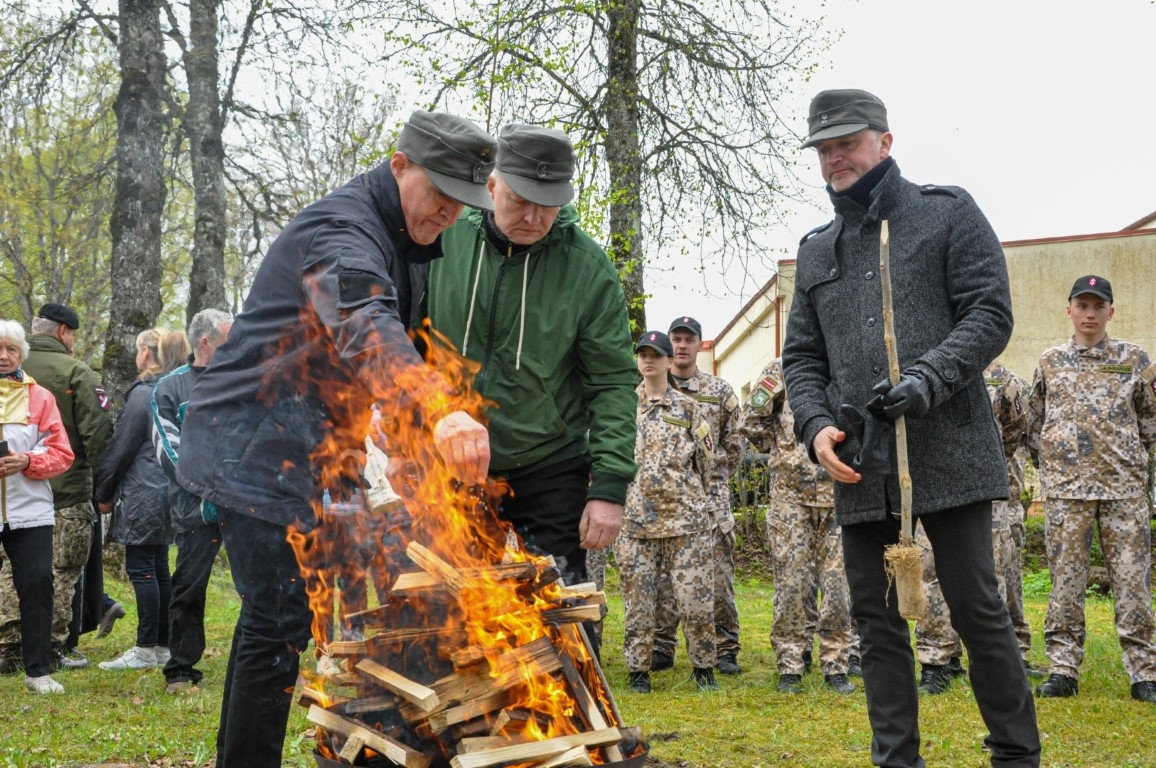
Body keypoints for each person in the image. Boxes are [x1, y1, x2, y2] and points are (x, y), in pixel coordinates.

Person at [174, 110, 496, 768]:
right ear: (400, 164)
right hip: (255, 447)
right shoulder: (343, 230)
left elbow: (374, 362)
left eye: (463, 206)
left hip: (312, 452)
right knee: (279, 617)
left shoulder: (402, 240)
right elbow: (365, 325)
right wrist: (440, 412)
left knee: (332, 607)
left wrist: (417, 453)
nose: (450, 216)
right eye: (441, 197)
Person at [781, 88, 1040, 767]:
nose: (835, 157)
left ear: (885, 142)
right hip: (859, 458)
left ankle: (1016, 756)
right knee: (876, 618)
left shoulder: (946, 215)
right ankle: (896, 760)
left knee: (978, 609)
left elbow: (988, 313)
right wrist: (813, 427)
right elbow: (802, 358)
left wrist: (927, 377)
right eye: (824, 148)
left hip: (949, 447)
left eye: (848, 142)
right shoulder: (816, 250)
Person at [425, 124, 637, 593]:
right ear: (492, 184)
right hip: (448, 464)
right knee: (444, 610)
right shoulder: (443, 239)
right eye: (521, 199)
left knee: (559, 618)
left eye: (549, 202)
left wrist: (608, 488)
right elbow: (403, 340)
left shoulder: (588, 269)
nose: (534, 217)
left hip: (548, 468)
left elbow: (612, 384)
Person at [1026, 275, 1156, 703]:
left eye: (1098, 306)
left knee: (1133, 583)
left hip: (1125, 492)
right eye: (1082, 305)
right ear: (1069, 309)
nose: (1089, 313)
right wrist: (1053, 468)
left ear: (1111, 312)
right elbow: (1034, 421)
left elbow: (1150, 423)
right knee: (1065, 582)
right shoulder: (1049, 361)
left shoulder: (1135, 360)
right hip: (1067, 492)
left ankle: (1145, 673)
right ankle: (1063, 669)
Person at [913, 359, 1040, 695]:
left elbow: (1015, 434)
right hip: (935, 486)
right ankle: (937, 661)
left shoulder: (1005, 380)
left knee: (992, 576)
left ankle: (996, 662)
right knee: (932, 575)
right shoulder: (924, 372)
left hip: (989, 492)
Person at [0, 303, 113, 672]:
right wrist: (104, 486)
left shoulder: (32, 383)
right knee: (59, 574)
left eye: (10, 349)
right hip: (63, 494)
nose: (5, 356)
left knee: (11, 575)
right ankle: (52, 647)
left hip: (30, 495)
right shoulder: (76, 371)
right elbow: (98, 434)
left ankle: (11, 646)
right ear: (65, 332)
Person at [740, 358, 855, 695]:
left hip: (840, 494)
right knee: (791, 582)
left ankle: (836, 664)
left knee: (838, 586)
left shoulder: (844, 361)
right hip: (790, 498)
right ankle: (790, 663)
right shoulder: (780, 370)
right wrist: (782, 449)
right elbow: (751, 421)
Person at [617, 331, 717, 693]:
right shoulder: (624, 407)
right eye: (642, 354)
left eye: (656, 355)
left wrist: (692, 498)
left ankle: (704, 670)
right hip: (636, 523)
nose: (648, 360)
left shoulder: (689, 409)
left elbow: (707, 462)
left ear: (667, 361)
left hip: (685, 522)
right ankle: (638, 673)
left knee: (695, 602)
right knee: (638, 603)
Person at [652, 317, 744, 675]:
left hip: (711, 497)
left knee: (718, 574)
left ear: (699, 345)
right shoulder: (653, 387)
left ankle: (724, 648)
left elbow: (734, 443)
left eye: (689, 339)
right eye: (676, 339)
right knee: (665, 575)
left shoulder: (718, 391)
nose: (682, 346)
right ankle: (662, 645)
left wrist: (713, 479)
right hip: (668, 497)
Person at [94, 329, 190, 671]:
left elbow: (122, 448)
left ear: (148, 353)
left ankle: (145, 647)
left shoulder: (145, 393)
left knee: (142, 569)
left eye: (138, 350)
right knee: (159, 567)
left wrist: (103, 491)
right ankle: (163, 645)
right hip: (170, 488)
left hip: (144, 491)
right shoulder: (177, 388)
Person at [150, 309, 233, 693]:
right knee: (188, 587)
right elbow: (168, 449)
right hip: (195, 508)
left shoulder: (241, 381)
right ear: (205, 343)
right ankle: (181, 668)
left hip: (245, 503)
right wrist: (209, 489)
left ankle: (260, 661)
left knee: (260, 585)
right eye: (229, 340)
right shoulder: (170, 388)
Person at [0, 320, 75, 693]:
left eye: (11, 349)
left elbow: (62, 453)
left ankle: (38, 671)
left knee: (37, 586)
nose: (3, 355)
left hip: (30, 511)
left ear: (21, 354)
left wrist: (27, 461)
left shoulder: (41, 397)